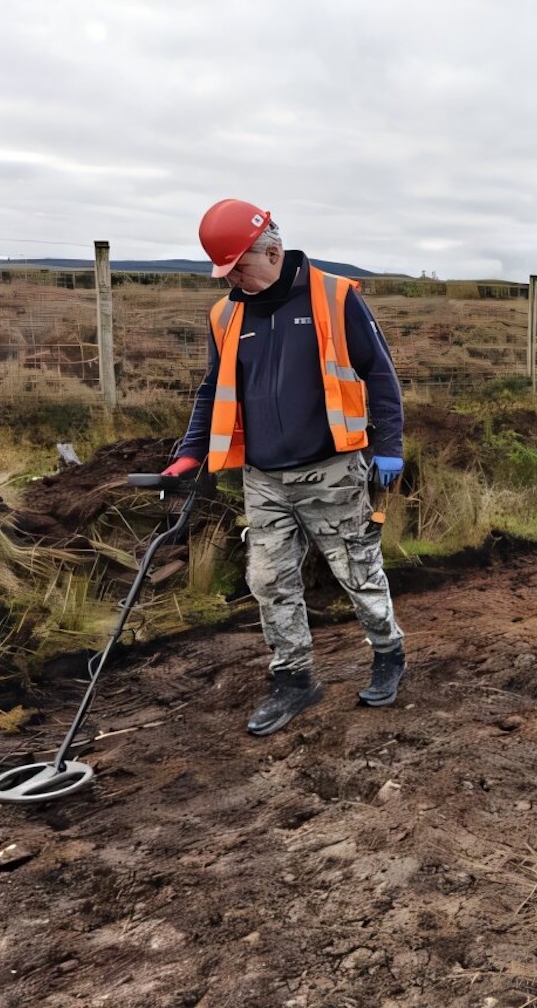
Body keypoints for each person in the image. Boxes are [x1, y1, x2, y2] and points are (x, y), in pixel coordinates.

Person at [162, 199, 408, 736]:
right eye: (226, 273)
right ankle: (293, 677)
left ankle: (388, 653)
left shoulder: (334, 296)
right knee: (269, 579)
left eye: (240, 268)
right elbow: (213, 387)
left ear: (272, 251)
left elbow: (380, 375)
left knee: (356, 571)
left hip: (331, 469)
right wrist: (189, 451)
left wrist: (389, 444)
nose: (234, 281)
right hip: (263, 477)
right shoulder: (226, 314)